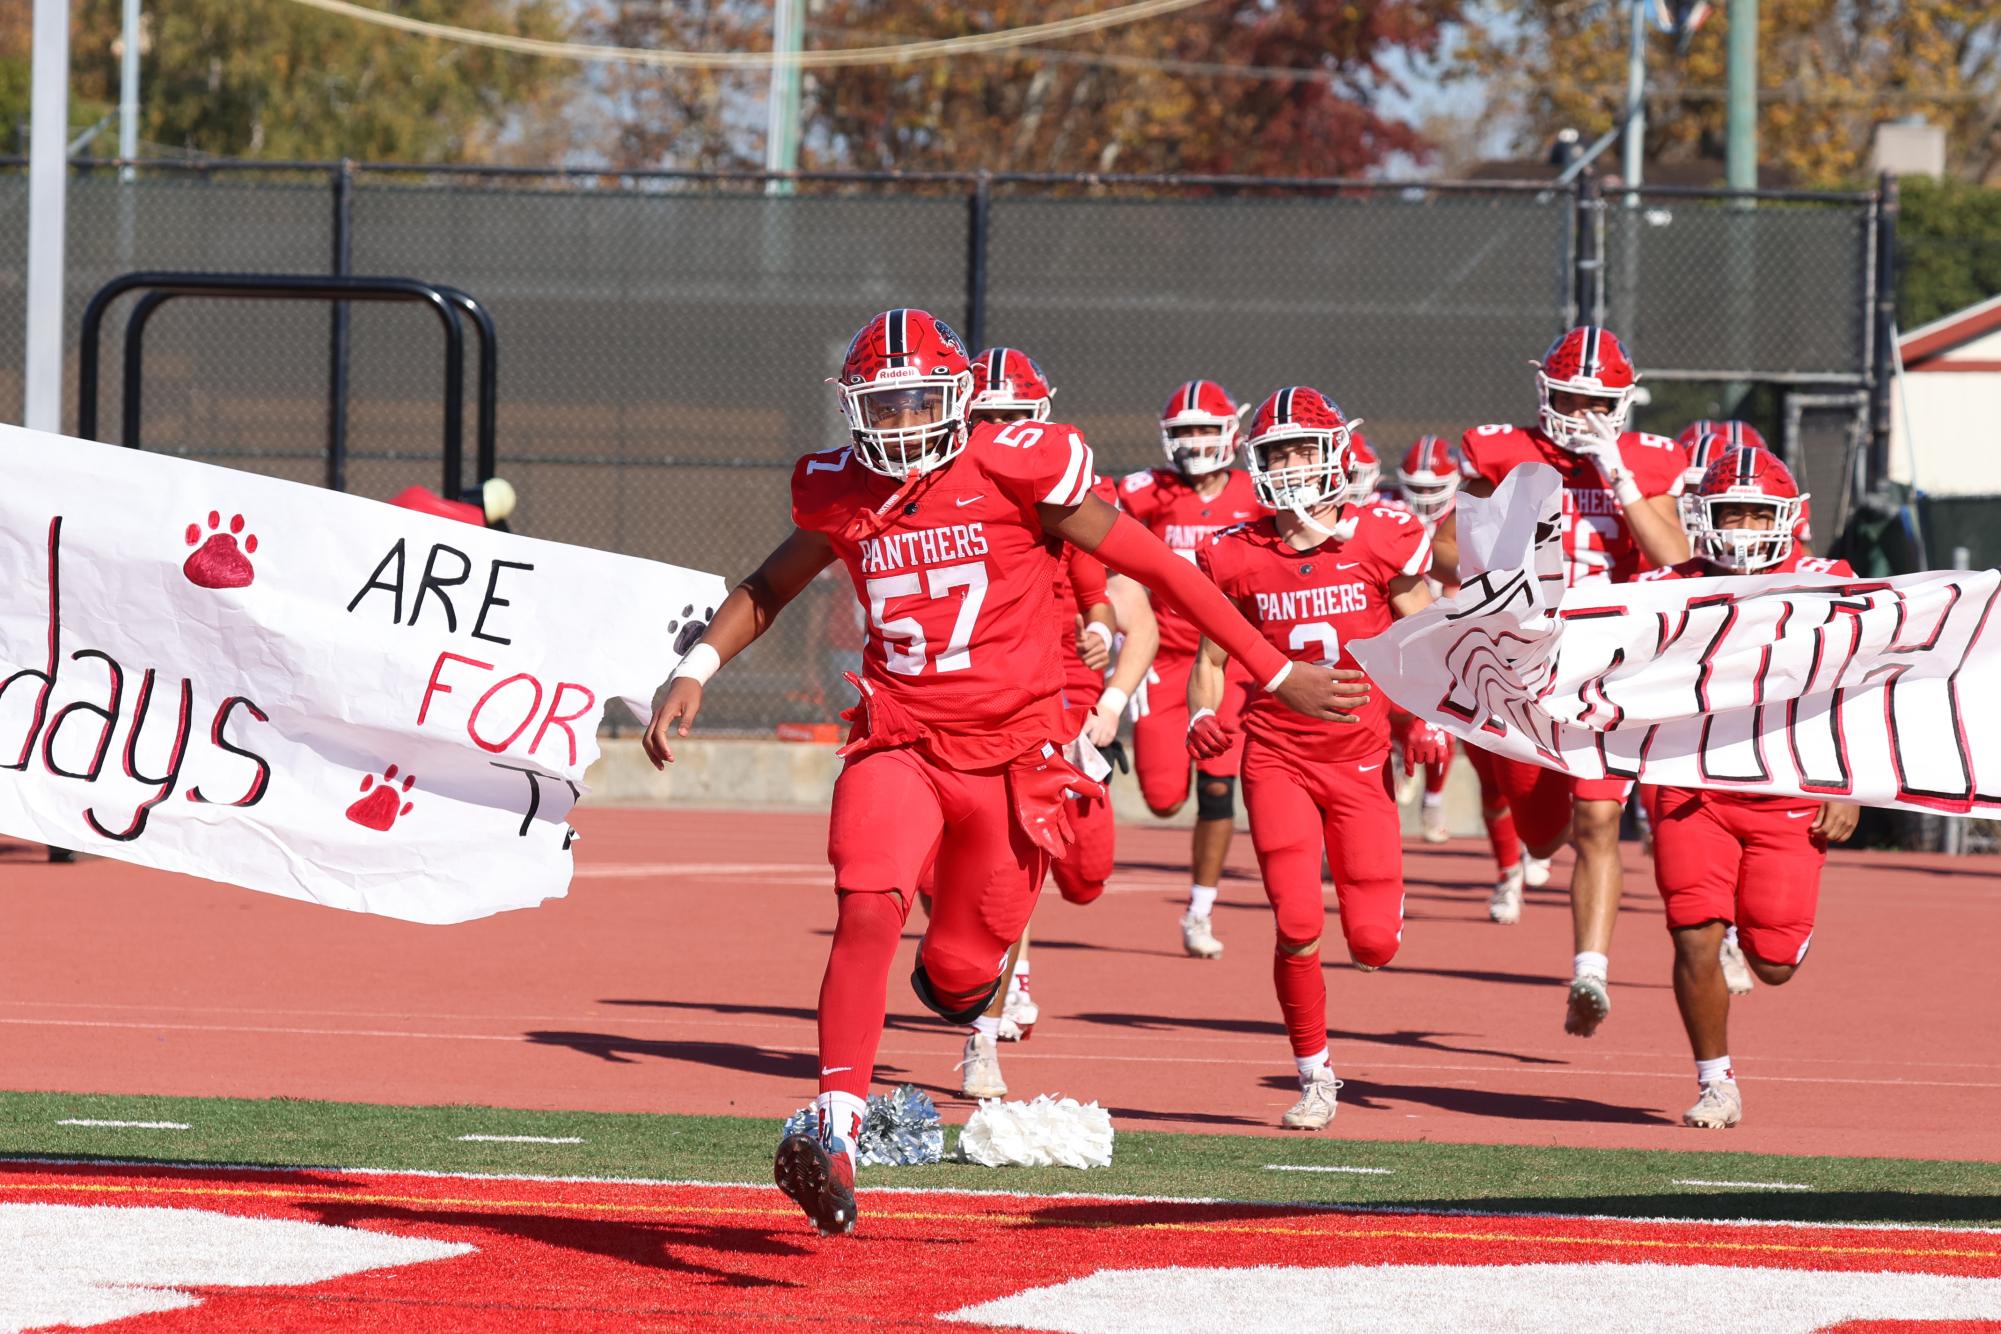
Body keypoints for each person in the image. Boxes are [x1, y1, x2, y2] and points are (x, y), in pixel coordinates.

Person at [644, 310, 1367, 1235]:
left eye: (918, 401)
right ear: (853, 407)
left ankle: (971, 969)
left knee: (956, 977)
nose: (902, 424)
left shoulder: (1017, 465)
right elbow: (766, 587)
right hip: (899, 737)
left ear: (957, 400)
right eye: (882, 404)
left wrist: (1272, 670)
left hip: (1015, 758)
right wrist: (696, 667)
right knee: (867, 902)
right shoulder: (837, 487)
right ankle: (833, 1131)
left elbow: (1167, 573)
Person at [1189, 386, 1439, 1130]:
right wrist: (1205, 709)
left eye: (1304, 449)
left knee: (1371, 943)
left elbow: (1428, 644)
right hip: (1275, 759)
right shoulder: (1232, 552)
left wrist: (1431, 721)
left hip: (1359, 759)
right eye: (1277, 453)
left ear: (1335, 454)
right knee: (1295, 921)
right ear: (1255, 464)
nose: (1293, 466)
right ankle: (1314, 1073)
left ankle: (1383, 910)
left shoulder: (1382, 535)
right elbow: (1211, 654)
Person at [1432, 325, 1690, 1037]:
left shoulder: (1647, 459)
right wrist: (1496, 574)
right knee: (1541, 836)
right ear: (1545, 392)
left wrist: (1618, 473)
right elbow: (1444, 546)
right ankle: (1538, 864)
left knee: (1600, 818)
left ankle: (1589, 971)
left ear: (1622, 403)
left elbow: (1675, 559)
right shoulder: (1503, 449)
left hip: (1609, 664)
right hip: (1523, 663)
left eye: (1595, 401)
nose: (1581, 413)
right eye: (1569, 398)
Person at [1634, 447, 1857, 1128]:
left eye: (1754, 511)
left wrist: (1850, 783)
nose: (1738, 525)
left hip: (1785, 787)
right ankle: (1715, 1082)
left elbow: (1867, 683)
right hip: (1691, 786)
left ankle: (1765, 935)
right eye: (1727, 510)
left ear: (1787, 518)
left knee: (1774, 963)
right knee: (1693, 933)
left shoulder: (1830, 584)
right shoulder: (1672, 587)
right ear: (1702, 516)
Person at [1117, 380, 1268, 960]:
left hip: (1224, 660)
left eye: (1207, 428)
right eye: (1185, 431)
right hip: (1165, 656)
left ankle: (1199, 910)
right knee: (1160, 798)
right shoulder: (1145, 492)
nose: (1196, 441)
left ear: (1231, 432)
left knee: (1216, 783)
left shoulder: (1258, 494)